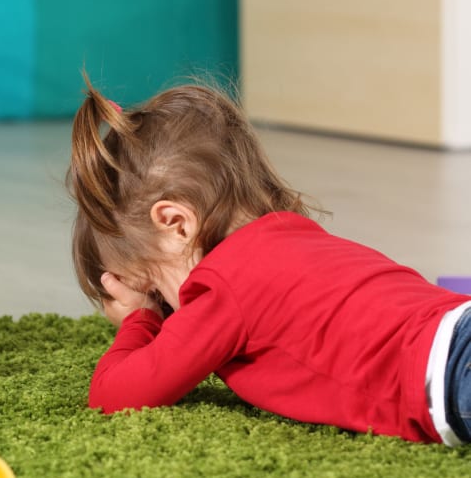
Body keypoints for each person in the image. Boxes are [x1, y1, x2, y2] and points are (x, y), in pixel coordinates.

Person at [67, 81, 471, 444]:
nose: (171, 314)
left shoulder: (221, 287)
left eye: (156, 290)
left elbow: (113, 396)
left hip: (452, 373)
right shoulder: (292, 234)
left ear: (176, 224)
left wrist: (140, 319)